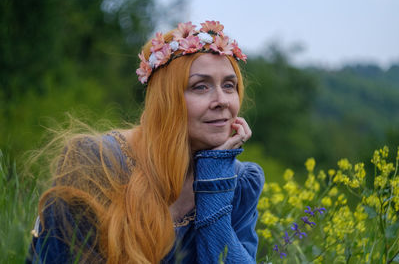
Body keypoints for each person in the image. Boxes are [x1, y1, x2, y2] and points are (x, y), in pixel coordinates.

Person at [27, 20, 264, 263]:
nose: (222, 100)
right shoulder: (97, 164)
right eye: (200, 87)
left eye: (229, 85)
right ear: (166, 99)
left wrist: (215, 179)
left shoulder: (241, 183)